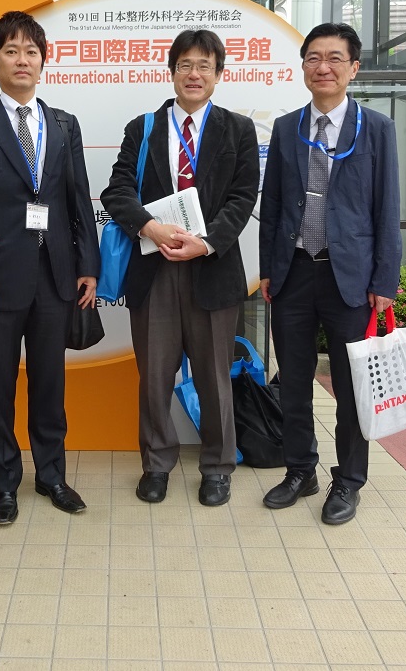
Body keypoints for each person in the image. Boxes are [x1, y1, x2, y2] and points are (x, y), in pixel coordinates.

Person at [0, 10, 100, 526]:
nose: (22, 60)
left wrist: (88, 265)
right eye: (10, 51)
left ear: (43, 61)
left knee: (50, 385)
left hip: (56, 277)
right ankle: (4, 483)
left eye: (31, 51)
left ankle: (51, 476)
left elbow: (79, 199)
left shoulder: (64, 124)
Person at [100, 29, 259, 507]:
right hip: (154, 272)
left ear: (218, 75)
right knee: (154, 377)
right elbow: (116, 190)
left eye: (204, 66)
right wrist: (149, 226)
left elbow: (242, 198)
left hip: (213, 269)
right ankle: (156, 464)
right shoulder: (144, 128)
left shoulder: (238, 129)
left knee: (214, 377)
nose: (194, 74)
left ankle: (218, 467)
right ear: (172, 72)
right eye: (185, 64)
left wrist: (205, 243)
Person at [258, 22, 401, 526]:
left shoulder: (376, 128)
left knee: (351, 388)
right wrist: (269, 269)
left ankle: (349, 480)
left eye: (335, 58)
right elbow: (273, 206)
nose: (324, 67)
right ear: (303, 67)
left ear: (353, 68)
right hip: (294, 273)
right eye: (314, 58)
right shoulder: (287, 128)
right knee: (294, 383)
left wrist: (384, 281)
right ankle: (301, 471)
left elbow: (387, 209)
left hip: (351, 280)